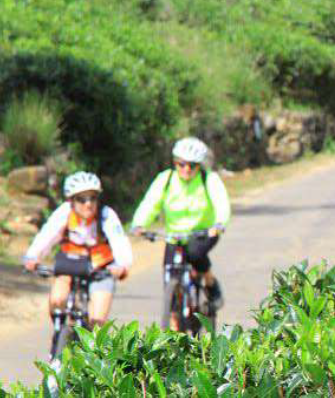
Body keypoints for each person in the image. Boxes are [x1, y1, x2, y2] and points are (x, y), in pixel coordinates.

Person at [23, 172, 132, 338]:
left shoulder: (106, 215)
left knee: (98, 324)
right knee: (57, 299)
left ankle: (93, 355)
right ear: (71, 200)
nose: (88, 204)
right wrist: (32, 257)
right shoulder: (64, 213)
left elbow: (119, 241)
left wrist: (122, 265)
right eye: (82, 199)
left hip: (100, 269)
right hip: (70, 265)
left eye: (93, 198)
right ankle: (59, 337)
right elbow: (47, 235)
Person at [131, 137, 231, 314]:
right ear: (175, 162)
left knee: (194, 252)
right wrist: (139, 224)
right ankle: (175, 323)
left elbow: (221, 203)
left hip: (203, 232)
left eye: (192, 165)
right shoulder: (166, 179)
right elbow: (150, 203)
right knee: (169, 273)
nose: (186, 169)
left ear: (199, 165)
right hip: (174, 235)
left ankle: (210, 283)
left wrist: (220, 224)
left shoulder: (209, 179)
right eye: (181, 164)